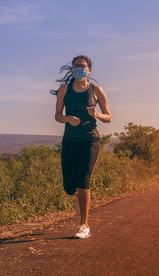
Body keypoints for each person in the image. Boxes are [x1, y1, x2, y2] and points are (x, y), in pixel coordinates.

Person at [51, 55, 111, 238]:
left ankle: (84, 225)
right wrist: (68, 119)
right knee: (69, 187)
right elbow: (57, 115)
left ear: (89, 70)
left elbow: (109, 116)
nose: (79, 69)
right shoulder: (64, 90)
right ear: (72, 69)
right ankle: (77, 194)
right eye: (76, 66)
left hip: (90, 140)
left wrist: (98, 115)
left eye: (83, 66)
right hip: (70, 141)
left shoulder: (96, 90)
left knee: (83, 181)